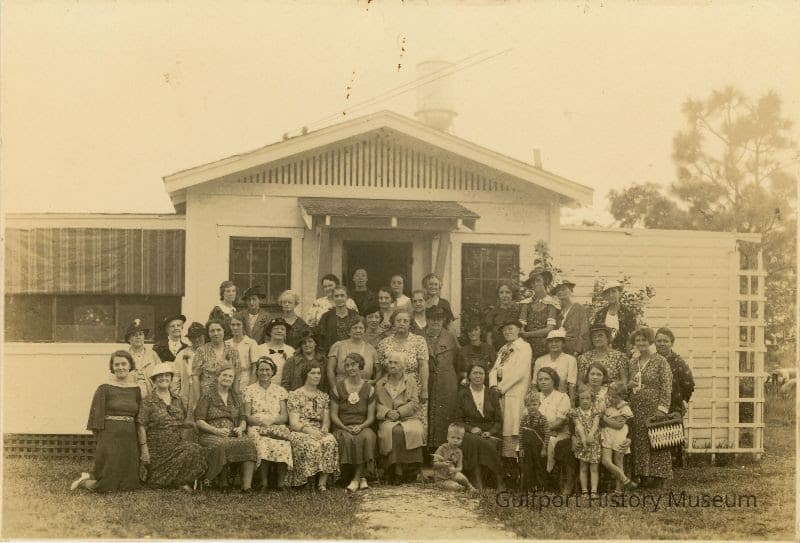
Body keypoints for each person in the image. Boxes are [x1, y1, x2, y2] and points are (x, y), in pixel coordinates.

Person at [71, 351, 142, 492]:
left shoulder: (136, 389)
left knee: (130, 485)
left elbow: (139, 416)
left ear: (130, 366)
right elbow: (95, 415)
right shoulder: (104, 388)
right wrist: (102, 439)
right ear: (112, 367)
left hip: (129, 436)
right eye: (117, 364)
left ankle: (94, 476)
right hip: (110, 435)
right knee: (107, 486)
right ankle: (84, 481)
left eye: (124, 364)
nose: (120, 367)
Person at [136, 363, 208, 490]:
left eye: (167, 375)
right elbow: (141, 426)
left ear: (171, 378)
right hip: (157, 446)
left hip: (176, 443)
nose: (164, 378)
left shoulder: (177, 399)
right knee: (190, 449)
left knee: (195, 449)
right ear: (154, 380)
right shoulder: (148, 401)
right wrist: (144, 449)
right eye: (160, 376)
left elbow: (181, 422)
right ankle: (166, 480)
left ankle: (180, 481)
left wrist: (192, 424)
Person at [195, 367, 258, 492]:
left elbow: (243, 418)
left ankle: (247, 487)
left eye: (230, 376)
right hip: (209, 434)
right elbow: (199, 420)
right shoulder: (207, 395)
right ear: (217, 377)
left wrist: (241, 428)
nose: (227, 378)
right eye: (224, 375)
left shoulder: (235, 396)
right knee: (223, 444)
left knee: (249, 443)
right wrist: (215, 430)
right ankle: (223, 483)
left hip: (232, 433)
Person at [488, 319, 532, 488]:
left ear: (518, 330)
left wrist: (502, 388)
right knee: (503, 430)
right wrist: (493, 385)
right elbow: (494, 369)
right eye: (505, 329)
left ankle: (517, 476)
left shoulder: (524, 348)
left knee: (514, 431)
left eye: (511, 328)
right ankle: (505, 473)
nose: (508, 332)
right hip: (500, 393)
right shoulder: (503, 349)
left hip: (514, 393)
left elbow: (520, 373)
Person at [628, 327, 673, 488]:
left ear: (650, 342)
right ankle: (643, 474)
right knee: (640, 441)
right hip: (636, 407)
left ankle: (659, 476)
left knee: (657, 438)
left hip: (654, 406)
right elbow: (630, 383)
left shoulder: (660, 361)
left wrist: (662, 408)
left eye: (643, 340)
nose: (640, 343)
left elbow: (667, 386)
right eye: (637, 340)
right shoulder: (633, 362)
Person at [376, 310, 429, 437]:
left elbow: (423, 365)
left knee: (414, 425)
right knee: (390, 422)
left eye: (405, 321)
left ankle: (414, 454)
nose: (402, 323)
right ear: (393, 323)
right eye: (399, 320)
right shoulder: (384, 343)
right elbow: (380, 368)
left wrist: (424, 389)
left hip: (413, 387)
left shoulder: (418, 341)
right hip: (390, 387)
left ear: (410, 324)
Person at [375, 352, 425, 484]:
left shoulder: (411, 381)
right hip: (388, 418)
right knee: (394, 431)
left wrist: (400, 412)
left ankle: (411, 470)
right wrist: (387, 412)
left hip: (408, 417)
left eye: (396, 363)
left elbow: (415, 402)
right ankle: (395, 470)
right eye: (390, 362)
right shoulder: (381, 383)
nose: (392, 365)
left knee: (413, 431)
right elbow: (376, 404)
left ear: (403, 366)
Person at [244, 356, 293, 491]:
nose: (264, 373)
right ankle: (264, 483)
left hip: (276, 424)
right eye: (261, 370)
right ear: (257, 372)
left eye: (267, 370)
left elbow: (284, 416)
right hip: (256, 425)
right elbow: (247, 415)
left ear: (273, 371)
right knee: (261, 442)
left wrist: (272, 421)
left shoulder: (280, 391)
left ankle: (280, 483)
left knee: (283, 442)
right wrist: (259, 421)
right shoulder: (249, 390)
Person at [286, 364, 339, 489]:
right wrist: (309, 431)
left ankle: (322, 483)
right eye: (313, 373)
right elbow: (293, 423)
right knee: (311, 444)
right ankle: (306, 480)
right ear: (306, 375)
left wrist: (325, 428)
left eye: (318, 373)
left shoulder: (324, 396)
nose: (316, 376)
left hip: (318, 429)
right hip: (300, 430)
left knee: (330, 441)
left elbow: (326, 420)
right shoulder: (295, 395)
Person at [330, 353, 377, 492]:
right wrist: (345, 427)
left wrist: (361, 426)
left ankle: (357, 478)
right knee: (347, 438)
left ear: (360, 366)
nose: (351, 368)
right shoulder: (337, 388)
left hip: (363, 426)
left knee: (367, 437)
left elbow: (371, 417)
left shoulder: (369, 389)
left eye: (354, 364)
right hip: (342, 426)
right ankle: (361, 477)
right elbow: (333, 415)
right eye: (347, 365)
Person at [456, 364, 504, 490]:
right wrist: (471, 429)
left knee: (481, 441)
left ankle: (495, 478)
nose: (478, 376)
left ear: (485, 376)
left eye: (481, 373)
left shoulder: (492, 394)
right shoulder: (462, 394)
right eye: (474, 373)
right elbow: (458, 420)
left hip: (489, 431)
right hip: (469, 430)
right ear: (469, 376)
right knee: (472, 440)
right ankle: (479, 481)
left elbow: (499, 420)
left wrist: (490, 432)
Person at [655, 326, 694, 467]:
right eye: (659, 340)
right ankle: (659, 467)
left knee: (673, 436)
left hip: (674, 403)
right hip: (657, 404)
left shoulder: (678, 362)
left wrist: (684, 400)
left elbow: (689, 382)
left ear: (672, 343)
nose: (662, 344)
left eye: (665, 341)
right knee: (657, 435)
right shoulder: (652, 360)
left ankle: (675, 467)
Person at [533, 367, 575, 495]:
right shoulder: (534, 397)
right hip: (540, 433)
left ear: (554, 381)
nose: (543, 382)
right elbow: (528, 419)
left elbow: (559, 422)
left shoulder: (562, 397)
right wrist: (542, 431)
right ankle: (535, 482)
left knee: (550, 441)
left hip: (560, 434)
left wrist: (543, 430)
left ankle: (549, 480)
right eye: (540, 379)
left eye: (547, 379)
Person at [425, 306, 459, 448]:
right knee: (426, 414)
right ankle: (426, 451)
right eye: (433, 319)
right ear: (427, 320)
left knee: (443, 415)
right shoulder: (420, 337)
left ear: (443, 320)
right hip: (427, 381)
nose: (436, 322)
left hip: (446, 383)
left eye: (439, 319)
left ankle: (441, 450)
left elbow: (459, 361)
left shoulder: (450, 337)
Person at [600, 382, 638, 494]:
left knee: (618, 461)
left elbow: (619, 425)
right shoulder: (607, 405)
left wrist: (604, 418)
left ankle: (619, 490)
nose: (611, 398)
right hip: (607, 435)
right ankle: (626, 480)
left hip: (619, 436)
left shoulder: (625, 408)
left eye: (615, 397)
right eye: (609, 395)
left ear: (622, 397)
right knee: (606, 461)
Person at [192, 319, 241, 399]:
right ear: (208, 333)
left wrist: (236, 397)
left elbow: (237, 375)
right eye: (212, 331)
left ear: (224, 331)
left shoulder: (233, 351)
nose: (216, 333)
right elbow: (195, 376)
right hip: (206, 396)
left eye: (218, 330)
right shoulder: (201, 351)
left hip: (227, 396)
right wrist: (198, 400)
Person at [519, 268, 560, 359]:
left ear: (545, 282)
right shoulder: (526, 303)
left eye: (538, 280)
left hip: (545, 345)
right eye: (533, 282)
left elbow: (549, 328)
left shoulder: (551, 303)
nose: (535, 284)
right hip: (526, 344)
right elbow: (521, 326)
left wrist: (528, 334)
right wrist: (523, 335)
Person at [327, 316, 377, 385]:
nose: (358, 330)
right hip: (342, 387)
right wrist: (334, 388)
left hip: (364, 388)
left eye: (361, 328)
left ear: (365, 330)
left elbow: (379, 371)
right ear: (349, 330)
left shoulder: (371, 349)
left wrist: (374, 381)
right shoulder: (338, 346)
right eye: (355, 328)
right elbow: (330, 370)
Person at [570, 388, 601, 497]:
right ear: (578, 399)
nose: (585, 401)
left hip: (594, 443)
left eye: (587, 398)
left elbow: (595, 425)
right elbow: (578, 426)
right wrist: (583, 439)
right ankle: (584, 491)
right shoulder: (575, 412)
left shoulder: (595, 411)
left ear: (591, 399)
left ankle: (593, 491)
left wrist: (591, 435)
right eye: (582, 398)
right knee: (583, 467)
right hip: (582, 442)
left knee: (594, 468)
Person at [533, 329, 578, 402]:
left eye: (557, 341)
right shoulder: (540, 360)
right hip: (543, 398)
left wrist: (571, 403)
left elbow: (572, 384)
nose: (553, 344)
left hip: (561, 398)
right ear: (547, 344)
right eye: (550, 341)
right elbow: (534, 384)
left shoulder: (570, 360)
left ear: (563, 344)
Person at [593, 280, 637, 352]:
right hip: (603, 351)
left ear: (619, 293)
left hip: (622, 351)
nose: (611, 295)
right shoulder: (600, 314)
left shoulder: (628, 313)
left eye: (614, 291)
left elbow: (632, 336)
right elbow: (596, 334)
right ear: (605, 296)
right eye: (608, 293)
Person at [315, 285, 362, 353]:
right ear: (333, 298)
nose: (339, 298)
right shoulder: (326, 316)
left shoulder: (354, 315)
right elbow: (320, 339)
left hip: (352, 352)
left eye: (342, 295)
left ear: (347, 297)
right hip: (331, 353)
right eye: (336, 296)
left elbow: (360, 334)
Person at [519, 392, 550, 492]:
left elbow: (547, 434)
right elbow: (521, 434)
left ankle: (541, 486)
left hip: (539, 447)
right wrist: (521, 448)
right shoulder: (524, 419)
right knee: (528, 466)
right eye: (528, 405)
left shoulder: (543, 419)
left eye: (534, 404)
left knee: (539, 466)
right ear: (525, 406)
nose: (531, 407)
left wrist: (544, 449)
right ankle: (530, 487)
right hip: (527, 447)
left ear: (539, 404)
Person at [432, 423, 477, 492]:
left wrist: (455, 470)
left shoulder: (459, 452)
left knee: (462, 478)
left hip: (452, 475)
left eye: (458, 438)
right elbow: (434, 465)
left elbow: (460, 467)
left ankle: (469, 486)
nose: (455, 440)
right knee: (455, 486)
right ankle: (459, 487)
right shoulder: (442, 449)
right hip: (442, 478)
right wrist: (443, 464)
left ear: (462, 440)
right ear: (447, 437)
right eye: (453, 437)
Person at [552, 280, 591, 356]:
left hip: (575, 351)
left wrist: (577, 350)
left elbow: (584, 332)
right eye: (558, 291)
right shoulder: (558, 312)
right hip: (561, 351)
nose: (560, 292)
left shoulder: (579, 309)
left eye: (563, 289)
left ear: (571, 290)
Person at [125, 319, 161, 397]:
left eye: (140, 334)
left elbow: (160, 375)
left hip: (150, 395)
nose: (138, 337)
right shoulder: (125, 356)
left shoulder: (153, 355)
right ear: (129, 339)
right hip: (130, 395)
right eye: (134, 335)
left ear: (144, 337)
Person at [255, 318, 295, 387]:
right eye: (276, 328)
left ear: (286, 333)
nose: (279, 331)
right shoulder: (260, 349)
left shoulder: (290, 351)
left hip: (283, 388)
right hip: (262, 387)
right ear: (270, 332)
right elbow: (254, 371)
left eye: (282, 329)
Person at [179, 322, 206, 413]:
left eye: (200, 336)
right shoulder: (183, 354)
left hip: (205, 391)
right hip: (188, 391)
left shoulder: (210, 352)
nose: (197, 339)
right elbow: (176, 376)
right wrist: (178, 395)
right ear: (190, 339)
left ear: (204, 336)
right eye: (194, 337)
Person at [483, 282, 521, 350]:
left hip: (516, 347)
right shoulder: (492, 312)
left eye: (507, 292)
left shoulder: (519, 310)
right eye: (501, 292)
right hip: (498, 348)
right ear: (498, 295)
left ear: (512, 294)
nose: (504, 295)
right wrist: (492, 351)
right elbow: (489, 335)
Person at [230, 315, 258, 393]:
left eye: (238, 325)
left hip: (245, 379)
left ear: (243, 326)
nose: (235, 328)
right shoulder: (227, 343)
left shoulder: (251, 343)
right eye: (233, 325)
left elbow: (255, 367)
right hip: (228, 379)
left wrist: (250, 387)